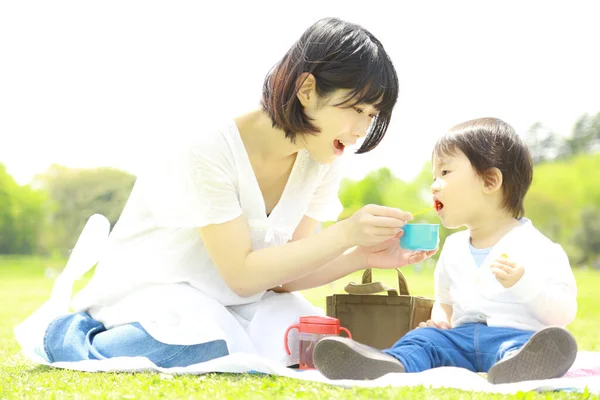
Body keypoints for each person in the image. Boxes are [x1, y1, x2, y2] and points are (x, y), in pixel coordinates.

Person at [14, 17, 437, 368]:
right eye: (355, 109)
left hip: (231, 302)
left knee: (302, 340)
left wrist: (361, 256)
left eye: (372, 115)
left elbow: (283, 279)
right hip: (157, 293)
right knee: (202, 343)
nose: (362, 130)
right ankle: (66, 335)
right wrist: (345, 234)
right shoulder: (208, 149)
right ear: (307, 89)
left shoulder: (320, 158)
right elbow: (242, 275)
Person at [313, 117, 578, 384]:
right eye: (434, 176)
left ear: (490, 181)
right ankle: (390, 363)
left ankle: (520, 365)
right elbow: (445, 302)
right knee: (423, 340)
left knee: (522, 347)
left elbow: (563, 314)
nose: (434, 185)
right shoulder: (453, 247)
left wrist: (524, 283)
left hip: (514, 337)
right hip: (459, 340)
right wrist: (440, 321)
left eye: (445, 173)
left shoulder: (538, 247)